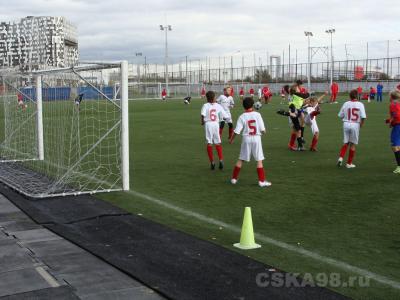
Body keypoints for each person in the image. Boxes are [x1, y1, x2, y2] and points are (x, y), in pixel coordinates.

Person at [229, 97, 271, 187]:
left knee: (241, 159)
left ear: (243, 106)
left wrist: (231, 139)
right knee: (259, 160)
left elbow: (236, 131)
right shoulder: (257, 114)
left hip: (246, 138)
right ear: (253, 105)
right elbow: (263, 130)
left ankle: (234, 179)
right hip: (256, 138)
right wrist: (264, 132)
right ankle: (261, 181)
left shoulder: (242, 116)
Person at [337, 89, 367, 168]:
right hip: (355, 124)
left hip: (346, 123)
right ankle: (349, 163)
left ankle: (340, 158)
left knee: (346, 142)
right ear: (357, 96)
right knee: (353, 144)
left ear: (349, 96)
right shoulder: (360, 104)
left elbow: (340, 115)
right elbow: (363, 117)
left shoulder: (346, 103)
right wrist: (361, 124)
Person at [201, 91, 228, 170]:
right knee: (218, 142)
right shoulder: (218, 105)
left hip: (208, 124)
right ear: (214, 98)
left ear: (207, 98)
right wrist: (225, 118)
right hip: (216, 124)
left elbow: (203, 115)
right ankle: (221, 160)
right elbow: (225, 116)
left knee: (209, 143)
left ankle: (212, 162)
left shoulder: (205, 105)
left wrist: (202, 121)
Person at [385, 90, 400, 174]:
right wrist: (389, 120)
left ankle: (399, 167)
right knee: (398, 145)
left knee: (395, 146)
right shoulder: (397, 104)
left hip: (398, 126)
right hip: (398, 125)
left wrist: (391, 122)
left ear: (391, 97)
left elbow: (396, 115)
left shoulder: (393, 105)